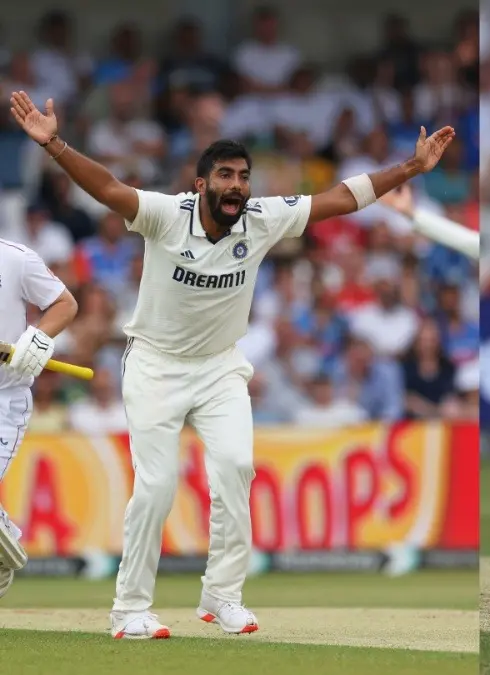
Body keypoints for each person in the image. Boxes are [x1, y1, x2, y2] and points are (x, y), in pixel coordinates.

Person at [8, 90, 454, 638]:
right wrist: (53, 143)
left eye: (243, 176)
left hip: (220, 367)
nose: (237, 185)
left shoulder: (262, 219)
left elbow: (341, 198)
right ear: (201, 185)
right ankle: (129, 608)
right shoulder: (168, 216)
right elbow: (108, 188)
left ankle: (221, 596)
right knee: (156, 487)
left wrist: (412, 166)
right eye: (224, 175)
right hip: (155, 364)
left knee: (237, 469)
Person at [0, 238, 79, 600]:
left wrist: (36, 338)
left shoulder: (15, 258)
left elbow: (64, 304)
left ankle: (5, 551)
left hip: (4, 398)